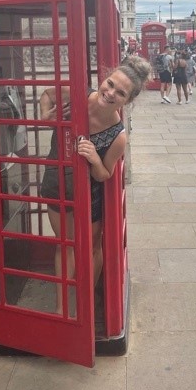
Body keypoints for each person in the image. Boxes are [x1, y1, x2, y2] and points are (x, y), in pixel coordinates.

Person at [40, 56, 151, 313]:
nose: (110, 93)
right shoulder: (78, 95)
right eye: (109, 84)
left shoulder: (117, 135)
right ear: (103, 79)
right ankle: (62, 308)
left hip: (88, 196)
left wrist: (92, 158)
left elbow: (104, 174)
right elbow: (47, 93)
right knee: (64, 244)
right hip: (57, 182)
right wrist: (46, 114)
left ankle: (85, 303)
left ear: (127, 101)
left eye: (120, 93)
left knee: (90, 247)